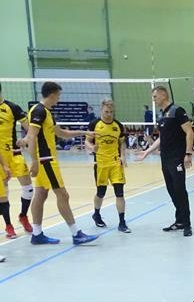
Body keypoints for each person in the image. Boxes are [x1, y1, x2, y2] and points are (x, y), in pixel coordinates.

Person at [22, 81, 98, 246]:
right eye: (58, 95)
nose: (59, 98)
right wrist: (34, 161)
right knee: (63, 195)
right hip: (46, 160)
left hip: (46, 159)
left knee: (41, 195)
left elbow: (61, 133)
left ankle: (36, 234)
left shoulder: (46, 112)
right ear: (52, 95)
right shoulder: (39, 111)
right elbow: (32, 136)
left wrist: (83, 132)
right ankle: (76, 234)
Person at [137, 86, 194, 236]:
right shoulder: (162, 115)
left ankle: (187, 224)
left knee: (180, 189)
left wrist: (188, 153)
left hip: (177, 158)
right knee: (172, 190)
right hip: (165, 158)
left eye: (155, 96)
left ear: (163, 95)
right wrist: (147, 151)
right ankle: (179, 221)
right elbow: (162, 138)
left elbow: (189, 132)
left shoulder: (177, 111)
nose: (154, 100)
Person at [85, 98, 130, 233]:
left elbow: (122, 142)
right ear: (101, 110)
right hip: (101, 163)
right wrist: (92, 148)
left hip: (115, 163)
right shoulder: (94, 124)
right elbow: (87, 141)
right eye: (106, 112)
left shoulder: (118, 125)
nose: (109, 114)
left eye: (111, 112)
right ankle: (96, 214)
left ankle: (122, 222)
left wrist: (123, 156)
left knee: (119, 193)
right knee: (101, 193)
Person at [0, 83, 34, 237]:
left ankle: (23, 216)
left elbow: (30, 129)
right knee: (3, 193)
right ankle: (8, 225)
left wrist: (25, 139)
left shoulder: (12, 107)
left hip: (14, 153)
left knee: (28, 188)